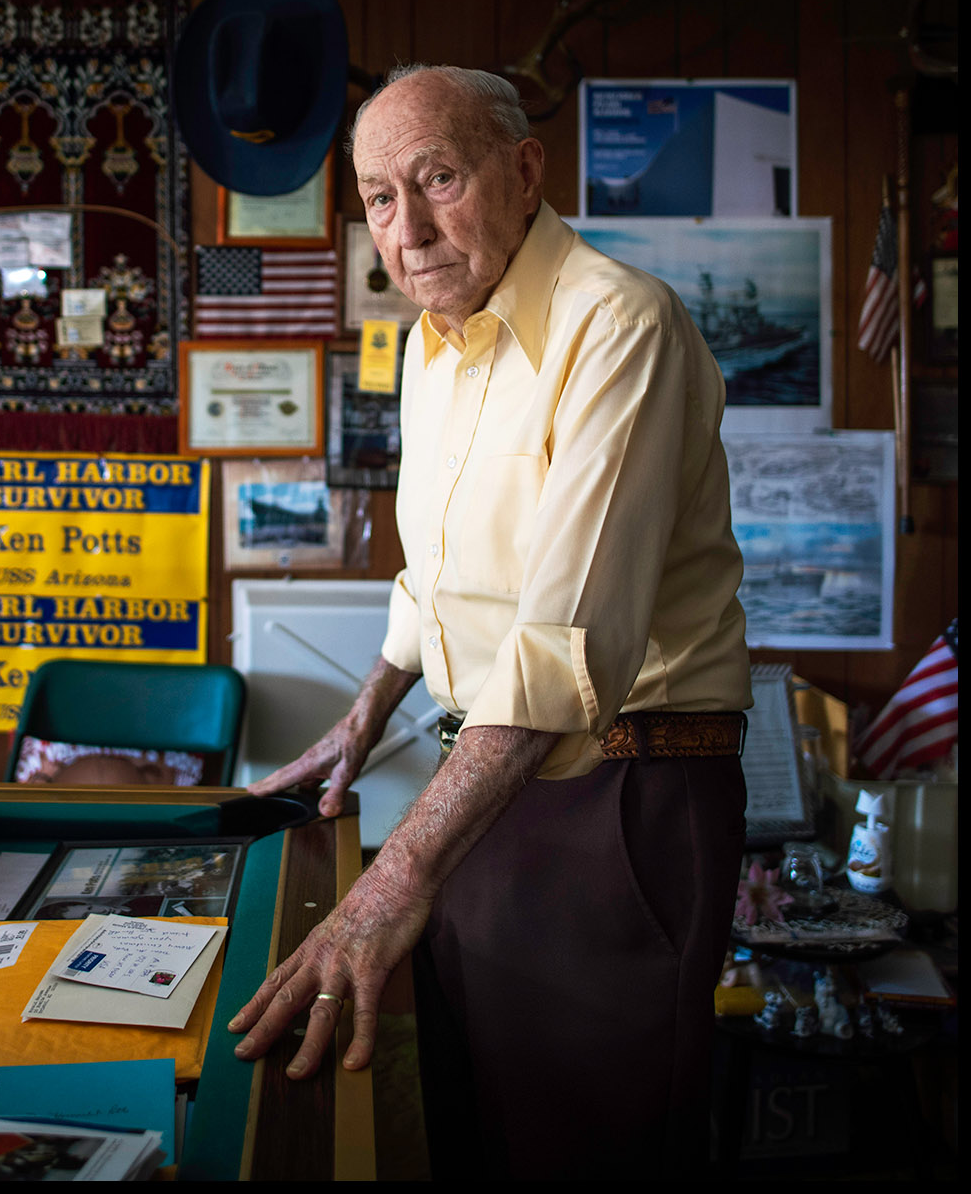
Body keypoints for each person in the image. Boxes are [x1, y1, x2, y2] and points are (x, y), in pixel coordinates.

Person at [228, 64, 752, 1179]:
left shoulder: (620, 325)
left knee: (588, 1141)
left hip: (625, 793)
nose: (406, 229)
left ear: (524, 171)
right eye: (377, 196)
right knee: (478, 1130)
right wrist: (365, 707)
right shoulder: (434, 338)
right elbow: (443, 573)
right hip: (494, 786)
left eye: (438, 178)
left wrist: (390, 874)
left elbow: (565, 647)